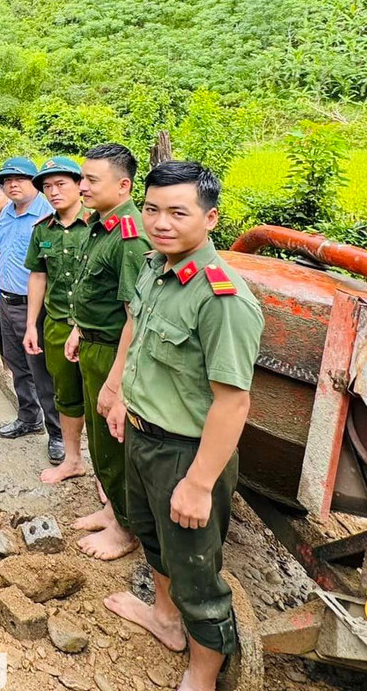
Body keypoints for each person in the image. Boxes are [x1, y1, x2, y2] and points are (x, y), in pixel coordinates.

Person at [100, 161, 265, 691]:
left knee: (196, 575)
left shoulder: (222, 299)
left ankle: (202, 674)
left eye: (177, 212)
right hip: (142, 436)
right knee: (152, 538)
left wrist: (198, 483)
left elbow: (233, 403)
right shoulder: (155, 267)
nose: (160, 222)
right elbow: (136, 329)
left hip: (185, 453)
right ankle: (164, 619)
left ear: (210, 218)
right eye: (152, 209)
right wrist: (119, 391)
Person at [64, 144, 149, 561]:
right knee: (99, 441)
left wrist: (116, 383)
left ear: (123, 185)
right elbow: (95, 291)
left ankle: (125, 529)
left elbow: (135, 316)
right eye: (82, 178)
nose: (82, 187)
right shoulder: (100, 225)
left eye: (91, 180)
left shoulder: (129, 237)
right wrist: (79, 328)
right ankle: (112, 510)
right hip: (93, 344)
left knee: (115, 445)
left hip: (115, 353)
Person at [0, 157, 61, 464]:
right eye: (7, 181)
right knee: (16, 365)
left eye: (20, 179)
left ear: (35, 182)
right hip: (6, 300)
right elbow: (0, 255)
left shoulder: (49, 215)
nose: (12, 185)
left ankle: (57, 433)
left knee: (42, 372)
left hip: (35, 306)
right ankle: (29, 417)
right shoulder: (6, 214)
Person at [22, 157, 92, 484]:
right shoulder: (42, 230)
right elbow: (38, 276)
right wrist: (31, 325)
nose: (53, 192)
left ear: (79, 185)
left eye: (61, 184)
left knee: (100, 398)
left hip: (94, 328)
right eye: (47, 187)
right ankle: (73, 459)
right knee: (65, 394)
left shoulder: (98, 226)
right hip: (57, 324)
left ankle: (106, 476)